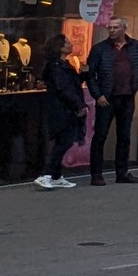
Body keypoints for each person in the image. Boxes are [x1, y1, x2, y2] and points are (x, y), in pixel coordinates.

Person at [85, 16, 138, 185]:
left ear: (123, 28)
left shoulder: (136, 46)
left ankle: (122, 172)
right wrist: (98, 95)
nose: (112, 30)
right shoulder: (100, 49)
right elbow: (90, 74)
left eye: (115, 28)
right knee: (100, 136)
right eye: (110, 28)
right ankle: (96, 174)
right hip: (107, 98)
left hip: (127, 96)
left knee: (124, 136)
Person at [32, 33, 85, 190]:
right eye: (67, 43)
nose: (71, 45)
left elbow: (71, 84)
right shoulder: (56, 67)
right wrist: (78, 105)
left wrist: (84, 74)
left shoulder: (64, 65)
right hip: (62, 109)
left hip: (64, 108)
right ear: (60, 47)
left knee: (64, 141)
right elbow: (64, 89)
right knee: (64, 142)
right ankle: (47, 174)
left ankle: (55, 176)